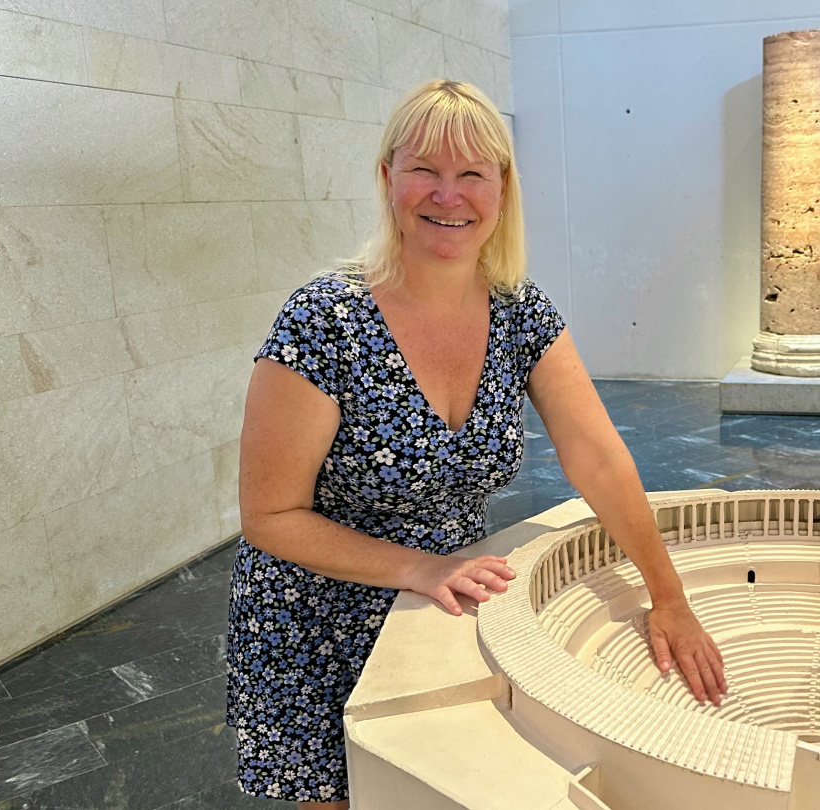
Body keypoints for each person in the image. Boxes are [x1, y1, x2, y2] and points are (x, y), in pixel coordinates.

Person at [225, 79, 727, 809]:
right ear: (387, 177)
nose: (447, 196)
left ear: (502, 188)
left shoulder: (519, 311)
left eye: (471, 174)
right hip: (315, 617)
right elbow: (269, 516)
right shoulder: (323, 319)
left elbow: (598, 456)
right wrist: (418, 567)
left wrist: (668, 595)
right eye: (424, 169)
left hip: (443, 602)